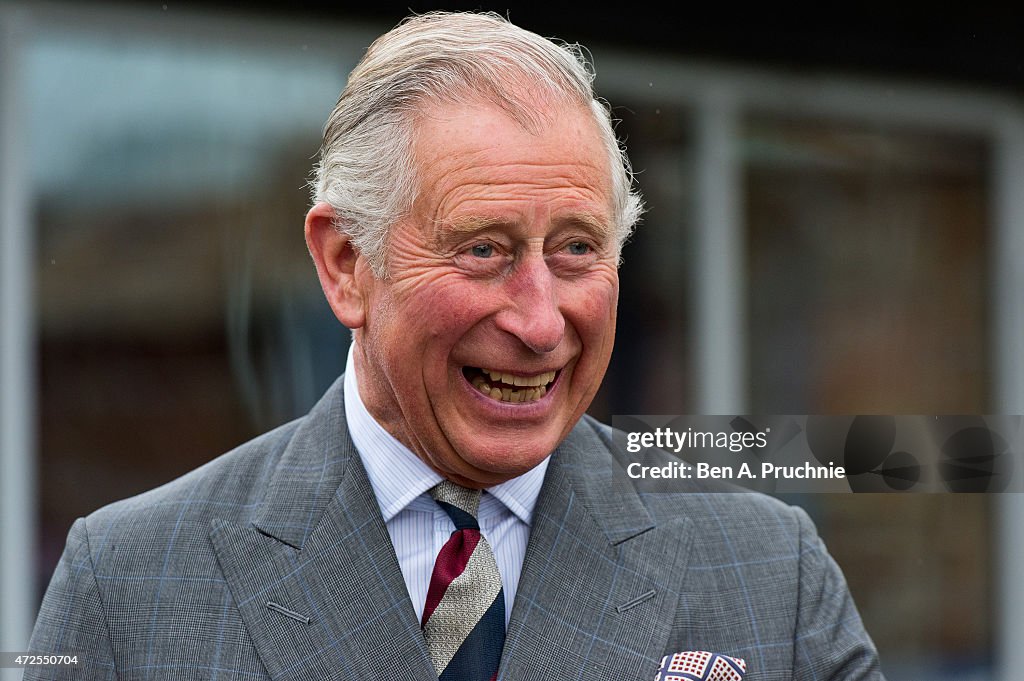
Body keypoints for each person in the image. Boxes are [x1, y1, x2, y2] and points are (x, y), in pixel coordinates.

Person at [27, 12, 883, 681]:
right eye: (484, 250)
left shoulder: (770, 573)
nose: (541, 321)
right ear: (346, 265)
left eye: (579, 249)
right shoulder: (133, 584)